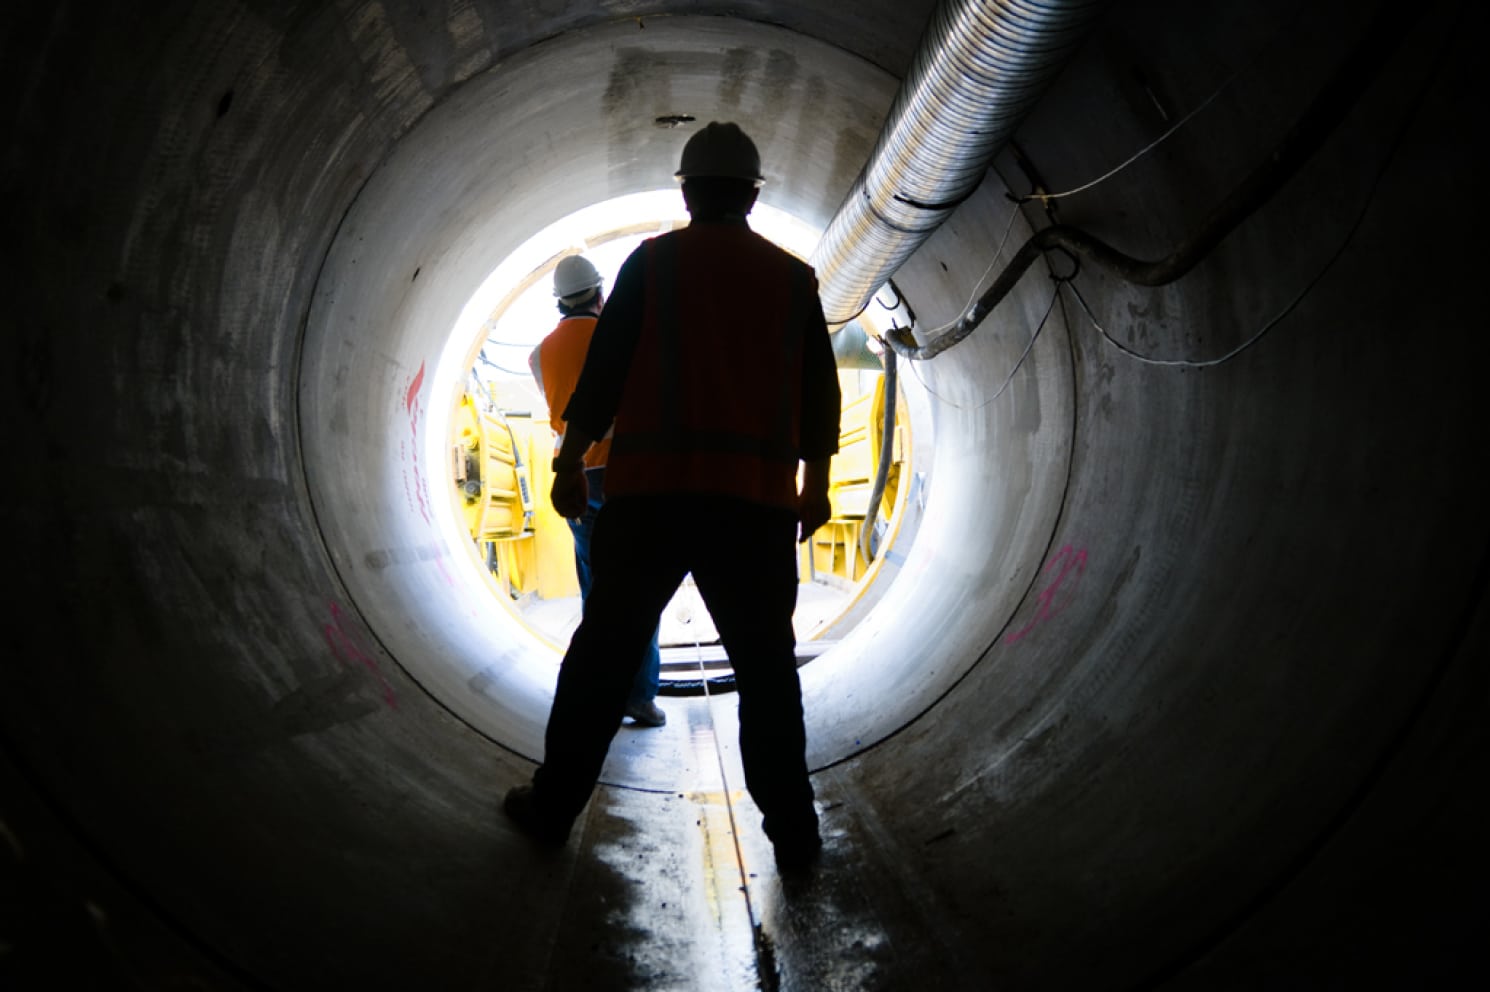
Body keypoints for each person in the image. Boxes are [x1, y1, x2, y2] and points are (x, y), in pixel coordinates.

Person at [504, 121, 841, 872]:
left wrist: (566, 462)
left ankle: (553, 808)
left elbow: (606, 374)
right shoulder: (790, 280)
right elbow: (820, 391)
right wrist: (813, 488)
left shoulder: (652, 266)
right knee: (766, 674)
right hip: (752, 506)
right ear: (753, 196)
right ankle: (795, 836)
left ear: (686, 192)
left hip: (649, 499)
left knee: (601, 658)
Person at [528, 254, 666, 727]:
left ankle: (599, 693)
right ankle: (640, 695)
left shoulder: (538, 355)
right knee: (642, 589)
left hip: (577, 481)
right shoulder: (622, 337)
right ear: (601, 292)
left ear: (559, 303)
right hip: (631, 477)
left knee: (598, 592)